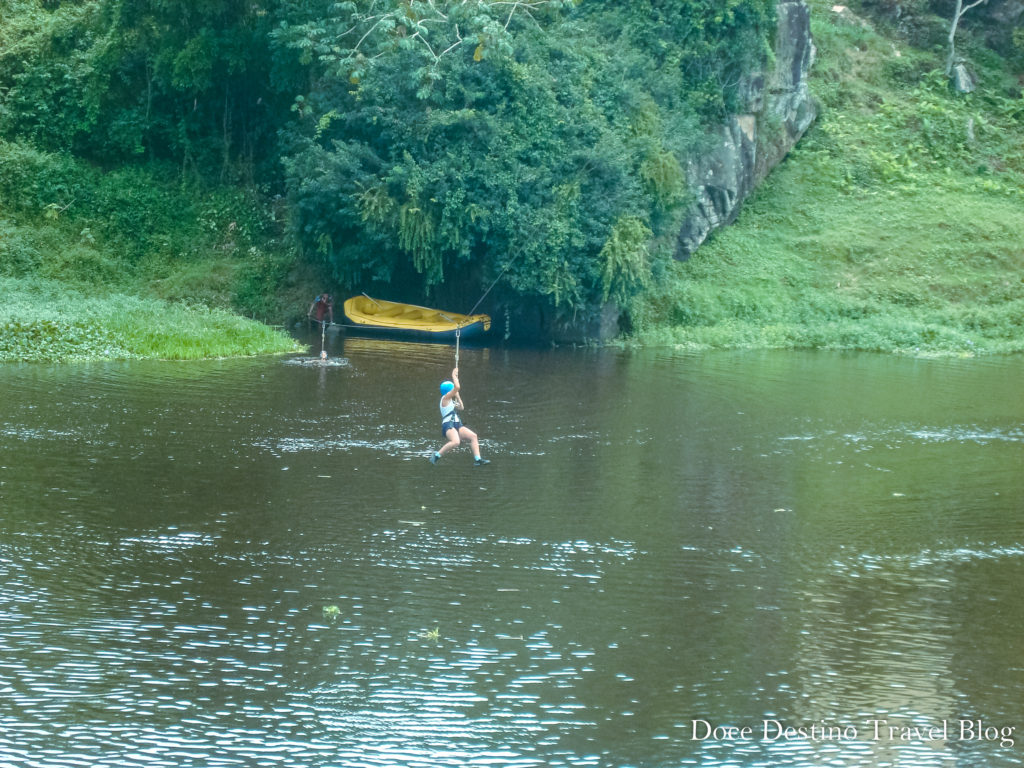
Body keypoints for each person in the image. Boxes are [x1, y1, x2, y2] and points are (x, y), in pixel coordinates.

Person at [430, 367, 489, 466]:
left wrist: (457, 396)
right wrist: (454, 375)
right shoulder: (445, 399)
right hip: (449, 425)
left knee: (473, 436)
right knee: (456, 442)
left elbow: (462, 407)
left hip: (457, 424)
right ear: (449, 390)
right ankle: (436, 455)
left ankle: (478, 460)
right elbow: (457, 387)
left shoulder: (451, 400)